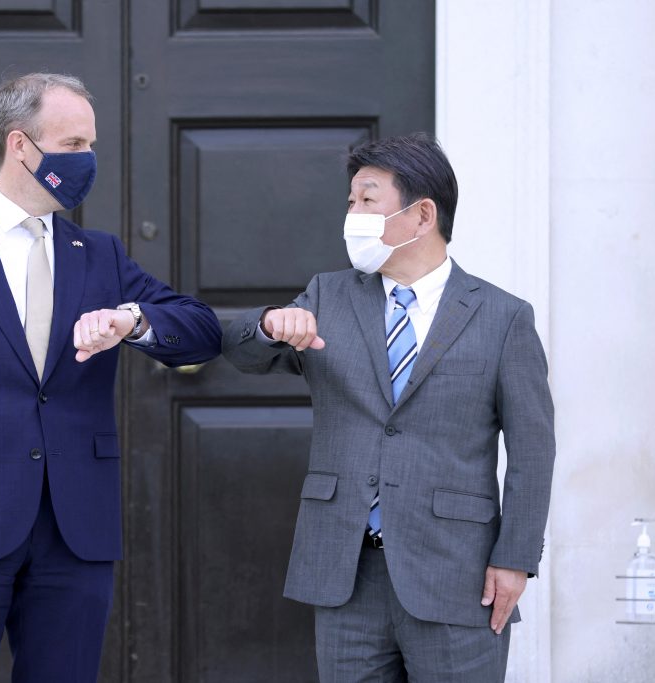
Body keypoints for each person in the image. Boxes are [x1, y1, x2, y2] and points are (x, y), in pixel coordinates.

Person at [0, 72, 222, 682]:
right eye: (74, 144)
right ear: (21, 145)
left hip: (76, 532)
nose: (88, 160)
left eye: (90, 144)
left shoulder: (98, 254)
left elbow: (200, 329)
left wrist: (132, 320)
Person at [222, 133, 555, 682]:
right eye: (350, 201)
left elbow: (533, 450)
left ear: (422, 215)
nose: (352, 215)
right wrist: (268, 325)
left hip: (458, 572)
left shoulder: (502, 318)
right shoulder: (327, 297)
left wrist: (515, 558)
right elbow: (243, 353)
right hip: (346, 570)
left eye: (367, 200)